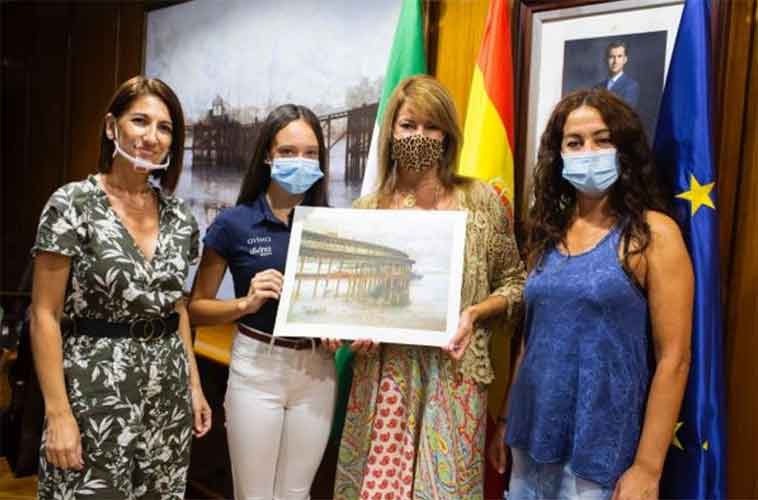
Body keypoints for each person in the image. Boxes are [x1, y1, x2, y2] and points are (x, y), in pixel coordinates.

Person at [488, 88, 693, 500]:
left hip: (601, 456)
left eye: (602, 139)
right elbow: (532, 339)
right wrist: (508, 417)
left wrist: (648, 468)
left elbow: (675, 357)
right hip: (529, 444)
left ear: (624, 148)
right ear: (559, 154)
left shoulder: (654, 234)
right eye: (575, 142)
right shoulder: (546, 233)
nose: (588, 151)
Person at [328, 75, 525, 500]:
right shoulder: (366, 211)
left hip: (453, 378)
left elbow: (514, 283)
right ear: (391, 132)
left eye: (432, 126)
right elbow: (346, 306)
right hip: (384, 379)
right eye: (409, 125)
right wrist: (348, 332)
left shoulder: (481, 200)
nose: (420, 136)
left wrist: (474, 313)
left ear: (448, 134)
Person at [30, 76, 212, 499]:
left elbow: (177, 307)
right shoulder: (72, 204)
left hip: (167, 391)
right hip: (96, 388)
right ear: (113, 127)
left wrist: (194, 385)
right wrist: (58, 414)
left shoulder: (180, 216)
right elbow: (44, 314)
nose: (151, 136)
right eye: (140, 121)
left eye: (164, 128)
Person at [188, 104, 336, 500]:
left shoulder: (334, 224)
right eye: (288, 152)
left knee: (296, 494)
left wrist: (340, 329)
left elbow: (346, 304)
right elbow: (195, 308)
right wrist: (244, 304)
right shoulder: (234, 223)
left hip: (318, 373)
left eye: (310, 153)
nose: (299, 161)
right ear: (268, 156)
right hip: (257, 368)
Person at [595, 42, 640, 108]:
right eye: (611, 57)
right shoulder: (597, 87)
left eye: (619, 56)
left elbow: (626, 114)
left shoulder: (631, 86)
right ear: (606, 60)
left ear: (625, 60)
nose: (615, 61)